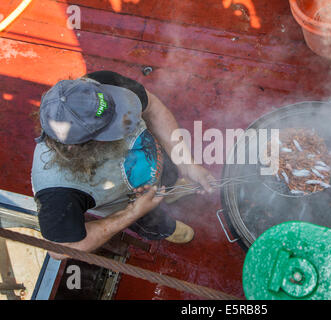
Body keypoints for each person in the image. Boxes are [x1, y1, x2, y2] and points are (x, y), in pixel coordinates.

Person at [31, 71, 214, 260]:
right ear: (75, 147)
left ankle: (172, 187)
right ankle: (167, 229)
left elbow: (153, 108)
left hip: (156, 160)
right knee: (153, 222)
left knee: (170, 174)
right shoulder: (56, 191)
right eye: (110, 126)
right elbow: (60, 249)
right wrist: (133, 212)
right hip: (129, 205)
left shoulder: (100, 85)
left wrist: (186, 163)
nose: (124, 118)